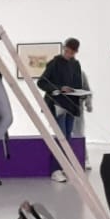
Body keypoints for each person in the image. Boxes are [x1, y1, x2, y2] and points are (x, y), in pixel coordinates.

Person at [37, 38, 84, 183]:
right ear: (64, 48)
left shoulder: (75, 64)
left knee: (67, 138)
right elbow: (41, 82)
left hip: (71, 105)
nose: (69, 54)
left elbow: (78, 84)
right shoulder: (54, 63)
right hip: (57, 105)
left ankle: (64, 167)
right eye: (68, 51)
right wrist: (59, 88)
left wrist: (80, 93)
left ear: (76, 52)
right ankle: (55, 170)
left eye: (73, 52)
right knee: (61, 137)